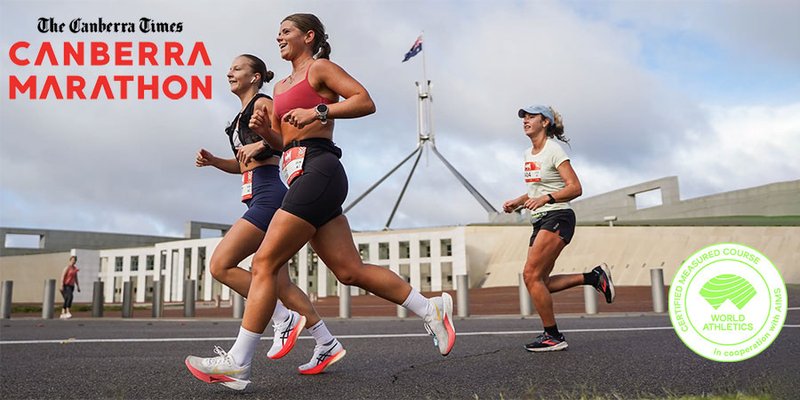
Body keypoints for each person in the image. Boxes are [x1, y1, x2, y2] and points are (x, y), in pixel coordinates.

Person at [185, 13, 455, 391]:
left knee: (264, 262)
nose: (279, 37)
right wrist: (267, 133)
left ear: (308, 37)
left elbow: (365, 101)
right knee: (349, 271)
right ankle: (431, 308)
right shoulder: (279, 87)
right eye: (277, 32)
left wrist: (320, 110)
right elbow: (282, 142)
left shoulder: (319, 68)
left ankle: (238, 362)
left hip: (321, 167)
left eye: (287, 31)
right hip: (298, 173)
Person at [186, 54, 344, 387]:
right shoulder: (241, 114)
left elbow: (284, 139)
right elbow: (246, 164)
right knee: (277, 282)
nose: (229, 72)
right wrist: (216, 161)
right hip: (257, 194)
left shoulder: (265, 103)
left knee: (221, 264)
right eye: (230, 69)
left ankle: (281, 318)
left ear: (256, 77)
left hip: (271, 197)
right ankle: (326, 341)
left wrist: (261, 140)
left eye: (237, 68)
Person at [502, 105, 615, 352]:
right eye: (524, 117)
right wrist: (519, 201)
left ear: (545, 122)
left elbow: (575, 187)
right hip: (540, 219)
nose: (525, 121)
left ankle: (553, 336)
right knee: (541, 282)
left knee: (530, 276)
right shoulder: (528, 154)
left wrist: (546, 199)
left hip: (559, 216)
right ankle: (593, 277)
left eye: (531, 117)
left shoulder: (554, 150)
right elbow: (537, 190)